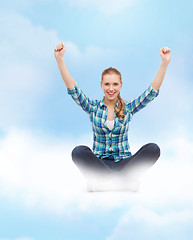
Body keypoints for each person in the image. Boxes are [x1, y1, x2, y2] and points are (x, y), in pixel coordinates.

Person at [54, 43, 171, 192]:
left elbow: (151, 92)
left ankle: (105, 183)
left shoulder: (128, 108)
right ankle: (122, 182)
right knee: (78, 151)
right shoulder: (93, 107)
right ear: (101, 85)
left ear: (121, 85)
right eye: (107, 84)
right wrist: (60, 60)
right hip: (100, 164)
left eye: (115, 84)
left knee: (153, 148)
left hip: (124, 163)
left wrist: (164, 63)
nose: (111, 88)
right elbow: (73, 89)